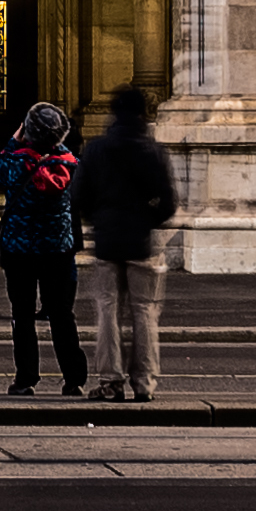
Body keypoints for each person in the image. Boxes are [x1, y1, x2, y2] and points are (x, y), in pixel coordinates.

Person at [79, 81, 181, 402]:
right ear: (142, 114)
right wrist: (144, 222)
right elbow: (168, 203)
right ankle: (145, 382)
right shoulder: (153, 151)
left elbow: (78, 197)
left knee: (108, 312)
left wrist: (100, 221)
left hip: (108, 242)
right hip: (141, 243)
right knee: (145, 312)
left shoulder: (96, 149)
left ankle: (110, 381)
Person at [0, 100, 86, 396]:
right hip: (58, 250)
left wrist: (11, 143)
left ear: (27, 131)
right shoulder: (71, 165)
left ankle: (26, 378)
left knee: (23, 315)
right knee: (62, 316)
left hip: (20, 251)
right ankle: (74, 379)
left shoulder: (16, 164)